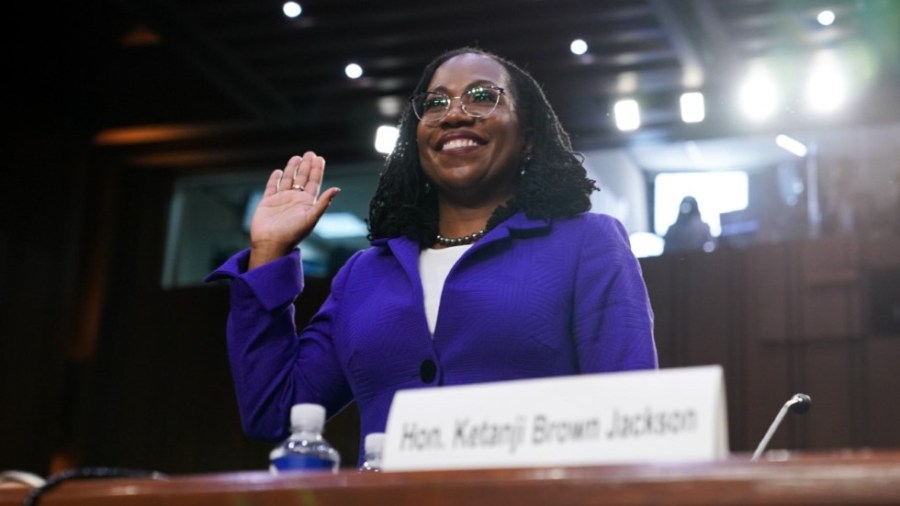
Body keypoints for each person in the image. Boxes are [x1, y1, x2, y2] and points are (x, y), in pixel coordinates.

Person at [206, 47, 658, 465]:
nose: (455, 114)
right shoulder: (363, 274)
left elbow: (628, 412)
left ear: (528, 139)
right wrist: (269, 252)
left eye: (483, 97)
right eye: (435, 103)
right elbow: (275, 413)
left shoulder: (587, 243)